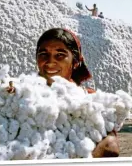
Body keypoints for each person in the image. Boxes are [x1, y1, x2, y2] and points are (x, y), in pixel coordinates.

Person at [36, 28, 119, 158]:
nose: (50, 62)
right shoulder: (20, 98)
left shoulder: (91, 100)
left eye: (60, 55)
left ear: (75, 62)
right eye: (43, 54)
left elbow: (111, 146)